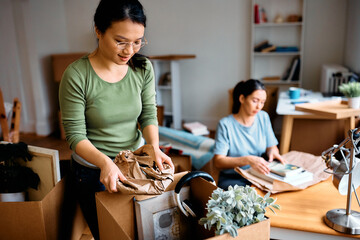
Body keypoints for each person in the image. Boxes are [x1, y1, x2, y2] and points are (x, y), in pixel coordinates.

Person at [59, 0, 174, 239]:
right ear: (98, 31)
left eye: (137, 41)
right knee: (112, 234)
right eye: (120, 41)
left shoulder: (142, 68)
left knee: (143, 231)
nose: (129, 50)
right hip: (93, 168)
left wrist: (153, 148)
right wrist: (105, 163)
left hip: (133, 162)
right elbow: (75, 135)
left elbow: (148, 114)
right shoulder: (77, 75)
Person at [213, 79, 285, 190]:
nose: (259, 107)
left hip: (258, 175)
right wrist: (248, 160)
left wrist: (273, 153)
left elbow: (272, 146)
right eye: (255, 101)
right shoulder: (225, 124)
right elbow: (218, 161)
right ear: (242, 99)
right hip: (233, 178)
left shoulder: (263, 117)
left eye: (262, 102)